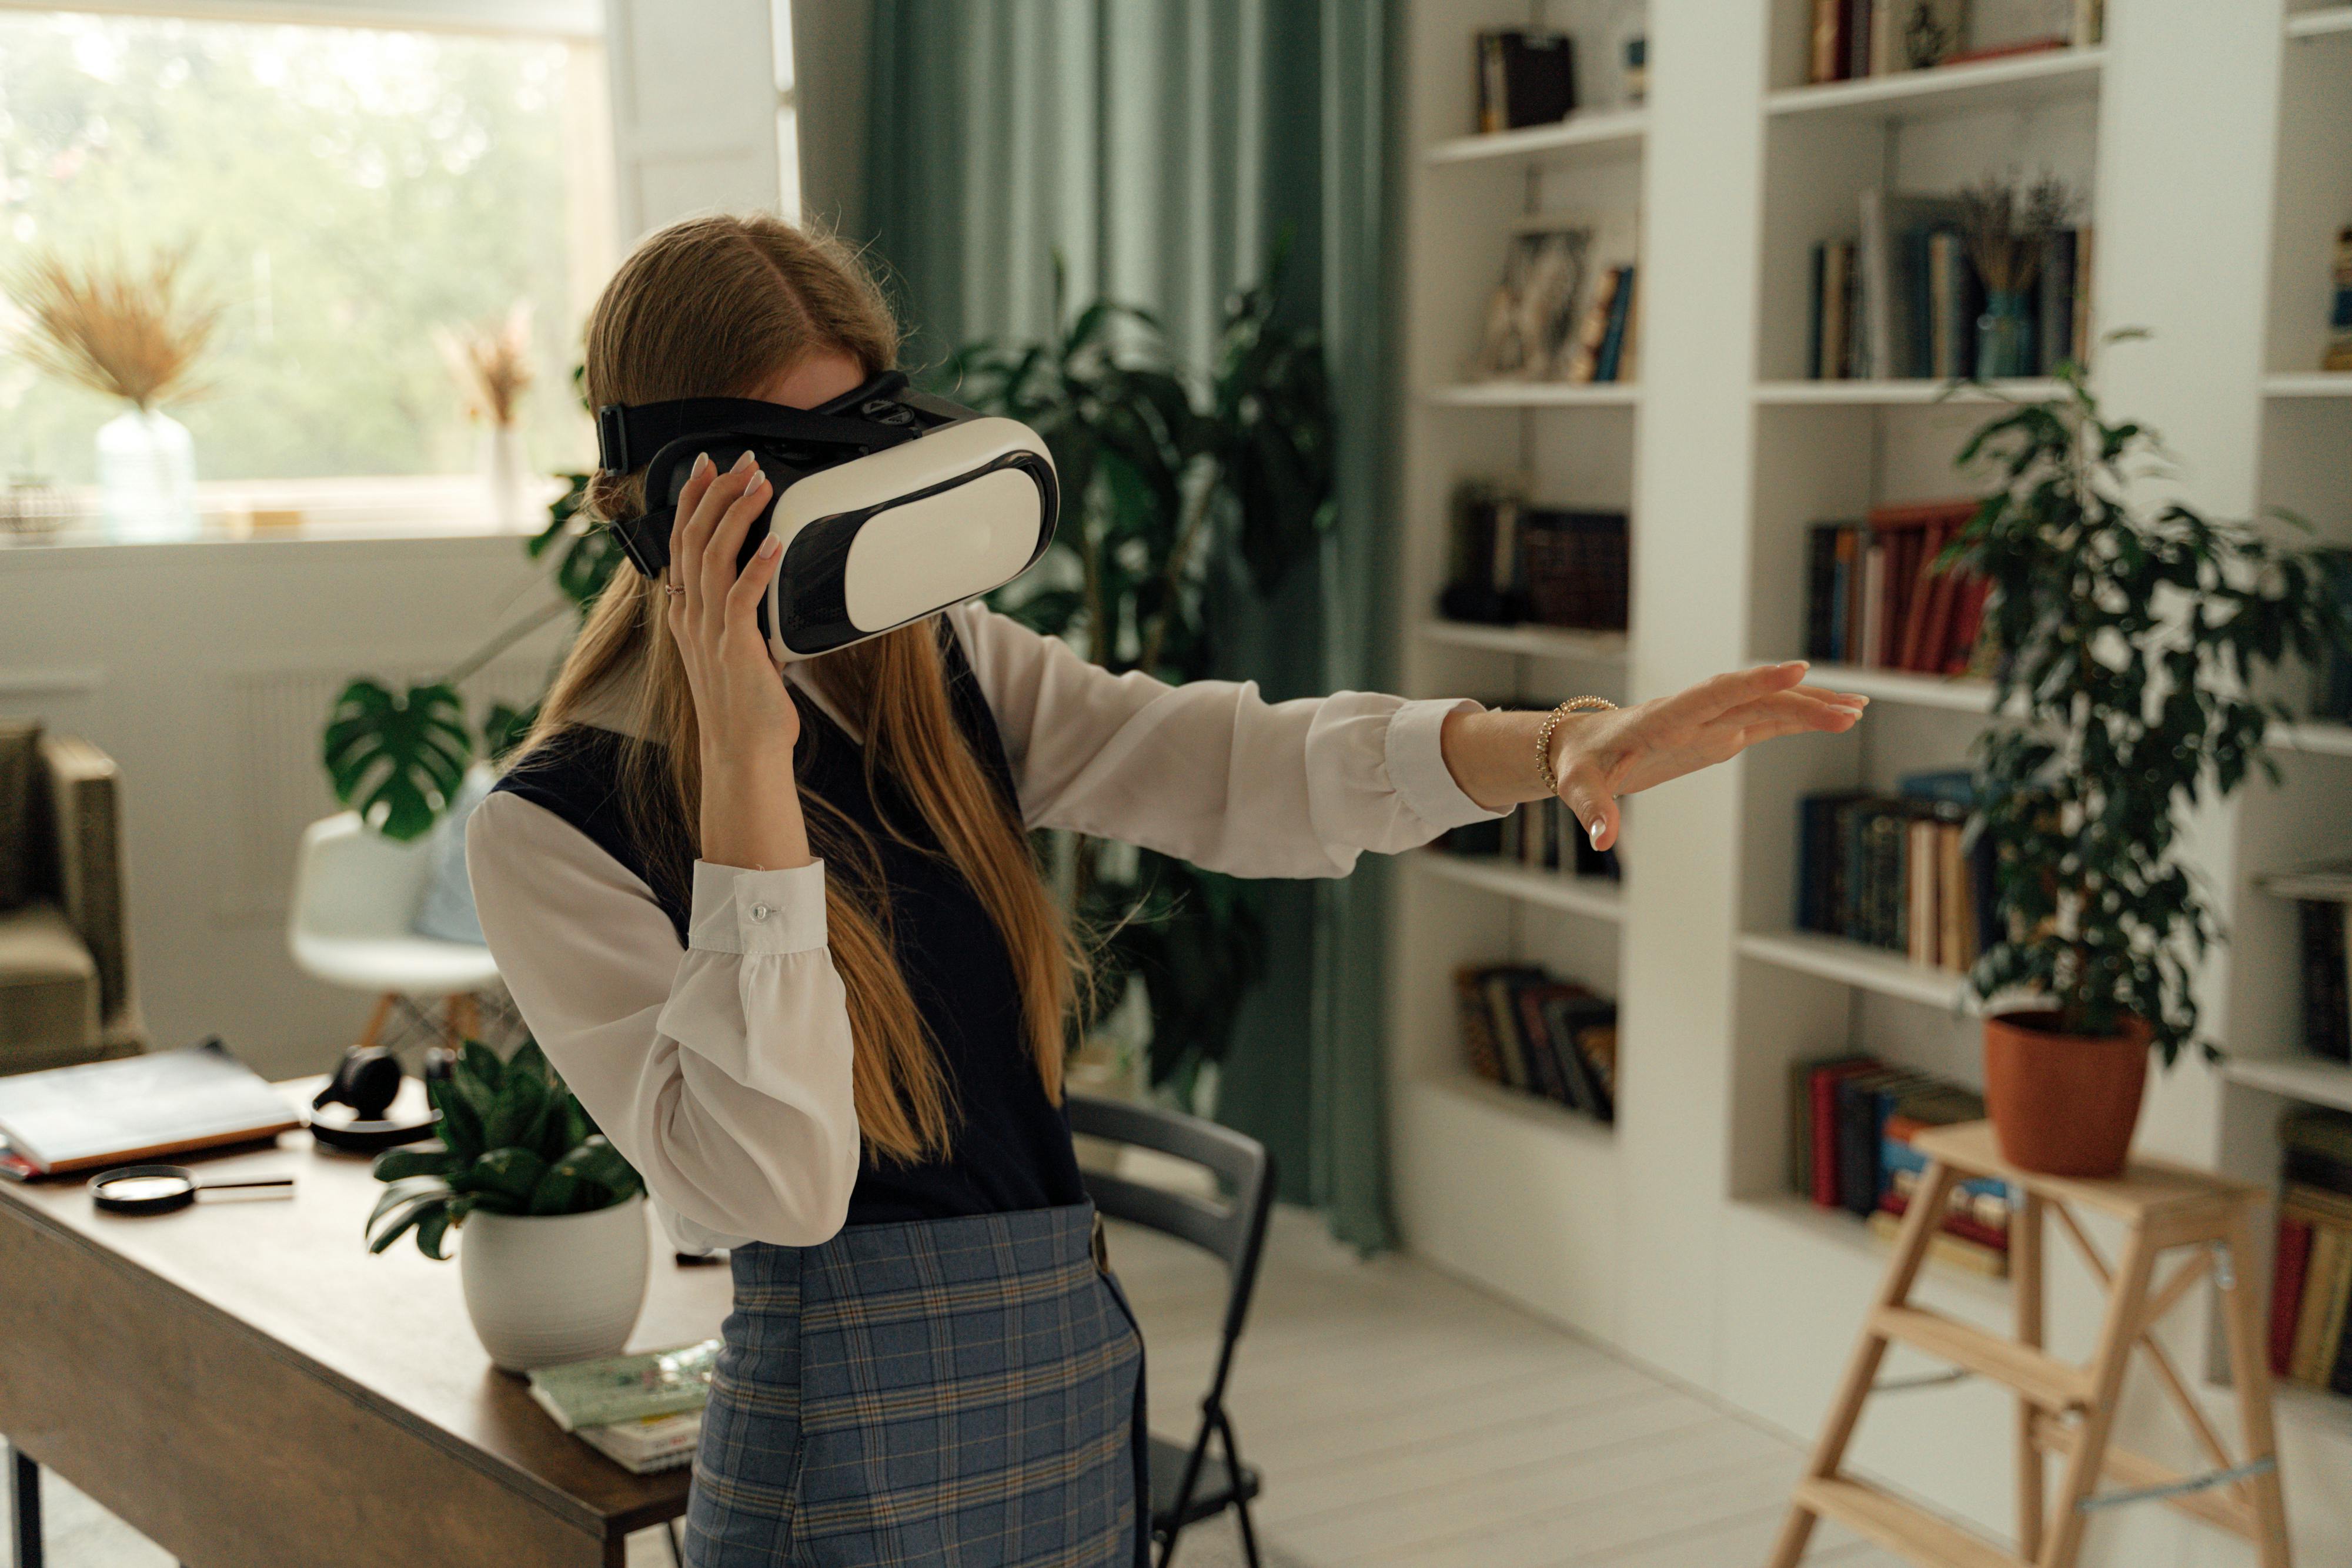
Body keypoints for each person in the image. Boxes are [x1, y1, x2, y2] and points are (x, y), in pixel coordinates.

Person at [465, 212, 1866, 1568]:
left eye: (865, 444)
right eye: (788, 468)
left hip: (1064, 1373)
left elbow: (1226, 758)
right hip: (838, 1443)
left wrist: (1549, 744)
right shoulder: (553, 829)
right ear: (656, 503)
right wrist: (750, 776)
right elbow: (776, 1187)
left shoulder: (940, 662)